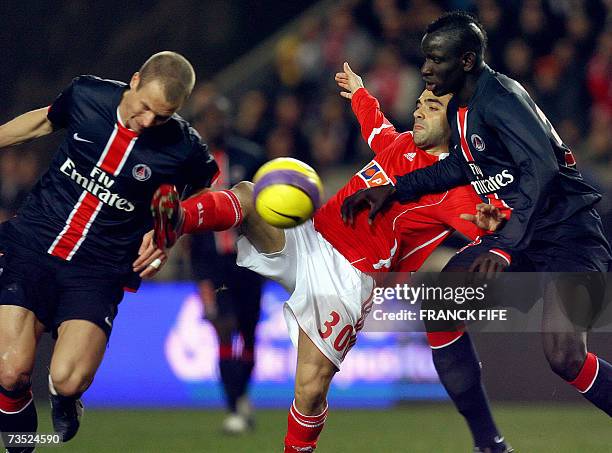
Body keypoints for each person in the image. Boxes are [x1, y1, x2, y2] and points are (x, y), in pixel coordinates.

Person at [152, 62, 512, 452]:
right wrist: (359, 91)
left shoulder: (452, 186)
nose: (419, 109)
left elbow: (492, 225)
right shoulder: (401, 143)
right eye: (420, 102)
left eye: (431, 106)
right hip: (312, 237)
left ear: (455, 124)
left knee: (309, 390)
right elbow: (375, 124)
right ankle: (178, 217)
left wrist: (494, 222)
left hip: (347, 279)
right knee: (246, 193)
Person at [342, 10, 612, 429]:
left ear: (466, 61)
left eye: (437, 59)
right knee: (441, 303)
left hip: (568, 234)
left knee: (565, 356)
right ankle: (488, 440)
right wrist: (397, 188)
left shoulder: (500, 100)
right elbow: (461, 167)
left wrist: (503, 247)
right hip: (520, 233)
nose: (426, 68)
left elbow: (541, 170)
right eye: (425, 58)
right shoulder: (461, 107)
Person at [0, 51, 219, 451]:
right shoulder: (87, 95)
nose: (150, 120)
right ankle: (21, 446)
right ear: (134, 80)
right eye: (146, 107)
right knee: (11, 371)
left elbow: (204, 192)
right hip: (34, 241)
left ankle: (67, 400)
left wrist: (169, 229)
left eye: (164, 115)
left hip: (99, 267)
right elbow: (44, 119)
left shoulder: (184, 147)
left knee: (67, 378)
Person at [189, 95, 264, 433]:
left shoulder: (250, 157)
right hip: (214, 265)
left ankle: (242, 397)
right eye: (207, 118)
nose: (214, 124)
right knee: (223, 327)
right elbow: (187, 221)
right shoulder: (191, 165)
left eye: (218, 117)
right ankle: (234, 406)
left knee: (248, 333)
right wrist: (199, 275)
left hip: (249, 261)